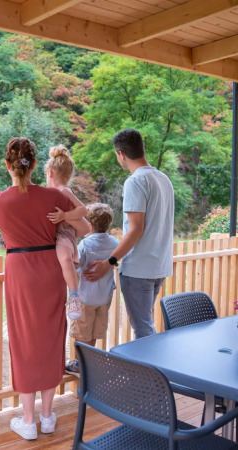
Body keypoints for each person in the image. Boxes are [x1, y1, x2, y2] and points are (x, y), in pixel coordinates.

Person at [0, 137, 88, 440]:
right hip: (50, 270)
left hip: (20, 271)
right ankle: (47, 416)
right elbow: (83, 221)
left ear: (7, 165)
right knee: (51, 338)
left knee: (23, 341)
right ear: (35, 164)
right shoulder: (54, 196)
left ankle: (28, 420)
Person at [84, 129, 174, 339]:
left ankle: (152, 362)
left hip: (139, 270)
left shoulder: (135, 181)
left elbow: (136, 229)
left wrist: (110, 261)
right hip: (159, 267)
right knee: (146, 324)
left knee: (143, 329)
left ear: (121, 154)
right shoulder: (163, 179)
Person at [65, 203, 118, 374]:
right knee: (94, 332)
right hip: (104, 298)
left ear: (90, 224)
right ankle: (89, 362)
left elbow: (75, 263)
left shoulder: (85, 245)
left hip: (85, 297)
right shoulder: (114, 242)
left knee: (82, 333)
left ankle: (80, 364)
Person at [44, 145, 89, 320]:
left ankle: (74, 296)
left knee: (64, 258)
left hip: (64, 234)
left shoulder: (63, 190)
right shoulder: (49, 192)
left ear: (50, 173)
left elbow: (83, 210)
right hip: (56, 234)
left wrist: (64, 216)